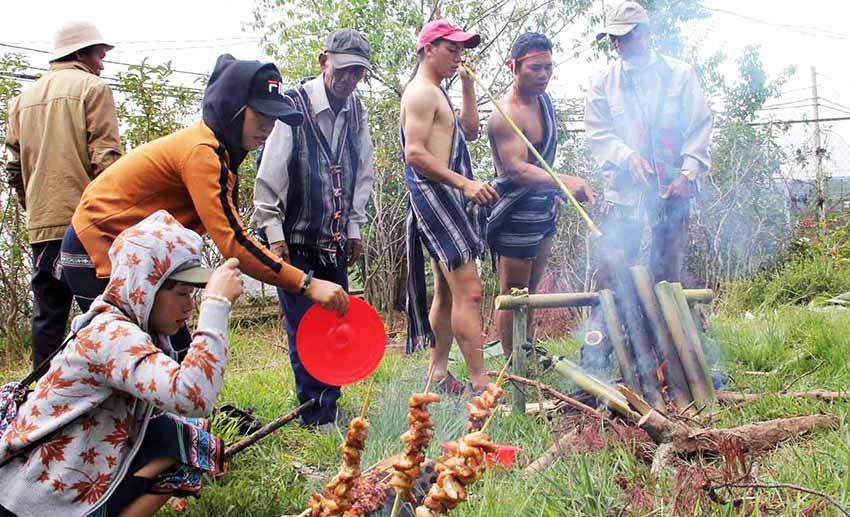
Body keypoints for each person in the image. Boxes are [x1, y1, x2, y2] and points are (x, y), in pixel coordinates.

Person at [60, 54, 349, 351]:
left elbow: (232, 234)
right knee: (130, 351)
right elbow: (234, 241)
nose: (268, 126)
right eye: (260, 114)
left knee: (176, 352)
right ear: (232, 107)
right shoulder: (202, 153)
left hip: (140, 255)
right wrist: (307, 283)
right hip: (98, 246)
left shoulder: (221, 153)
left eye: (274, 118)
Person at [0, 210, 243, 517]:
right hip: (35, 503)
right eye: (182, 293)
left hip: (69, 480)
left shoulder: (131, 328)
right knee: (184, 433)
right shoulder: (112, 336)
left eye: (193, 295)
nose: (189, 305)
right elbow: (194, 396)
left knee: (185, 436)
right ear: (146, 286)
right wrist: (217, 305)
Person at [251, 29, 374, 430]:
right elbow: (271, 172)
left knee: (336, 320)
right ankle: (314, 412)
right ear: (325, 61)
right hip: (295, 239)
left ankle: (329, 405)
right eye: (343, 70)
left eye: (357, 73)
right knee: (304, 324)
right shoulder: (292, 106)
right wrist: (273, 233)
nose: (349, 80)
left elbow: (362, 172)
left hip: (334, 239)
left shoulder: (357, 111)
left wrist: (354, 224)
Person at [4, 21, 122, 370]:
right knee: (108, 314)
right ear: (81, 53)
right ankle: (120, 403)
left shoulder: (21, 101)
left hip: (42, 227)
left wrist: (35, 207)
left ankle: (42, 405)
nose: (102, 63)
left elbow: (13, 168)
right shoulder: (93, 88)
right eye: (100, 55)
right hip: (87, 226)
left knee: (48, 318)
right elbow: (107, 161)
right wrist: (121, 218)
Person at [585, 1, 712, 285]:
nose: (618, 45)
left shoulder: (680, 75)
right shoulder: (603, 82)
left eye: (625, 36)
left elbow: (699, 127)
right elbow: (598, 132)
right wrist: (627, 156)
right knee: (614, 267)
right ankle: (611, 328)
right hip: (624, 193)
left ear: (644, 33)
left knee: (667, 271)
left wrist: (687, 174)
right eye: (614, 38)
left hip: (673, 191)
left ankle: (667, 328)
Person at [401, 19, 496, 394]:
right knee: (470, 291)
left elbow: (470, 131)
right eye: (451, 49)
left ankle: (438, 374)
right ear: (429, 49)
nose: (458, 57)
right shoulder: (421, 93)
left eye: (461, 50)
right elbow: (414, 153)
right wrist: (464, 183)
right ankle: (481, 384)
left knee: (445, 289)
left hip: (448, 196)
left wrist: (468, 87)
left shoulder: (440, 91)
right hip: (436, 196)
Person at [486, 32, 595, 359]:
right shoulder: (505, 114)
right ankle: (512, 361)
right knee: (514, 293)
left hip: (542, 208)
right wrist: (563, 181)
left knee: (532, 289)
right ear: (513, 67)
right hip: (516, 215)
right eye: (535, 68)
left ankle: (525, 348)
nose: (544, 75)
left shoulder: (543, 100)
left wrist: (553, 191)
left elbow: (540, 161)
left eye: (548, 68)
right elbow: (516, 170)